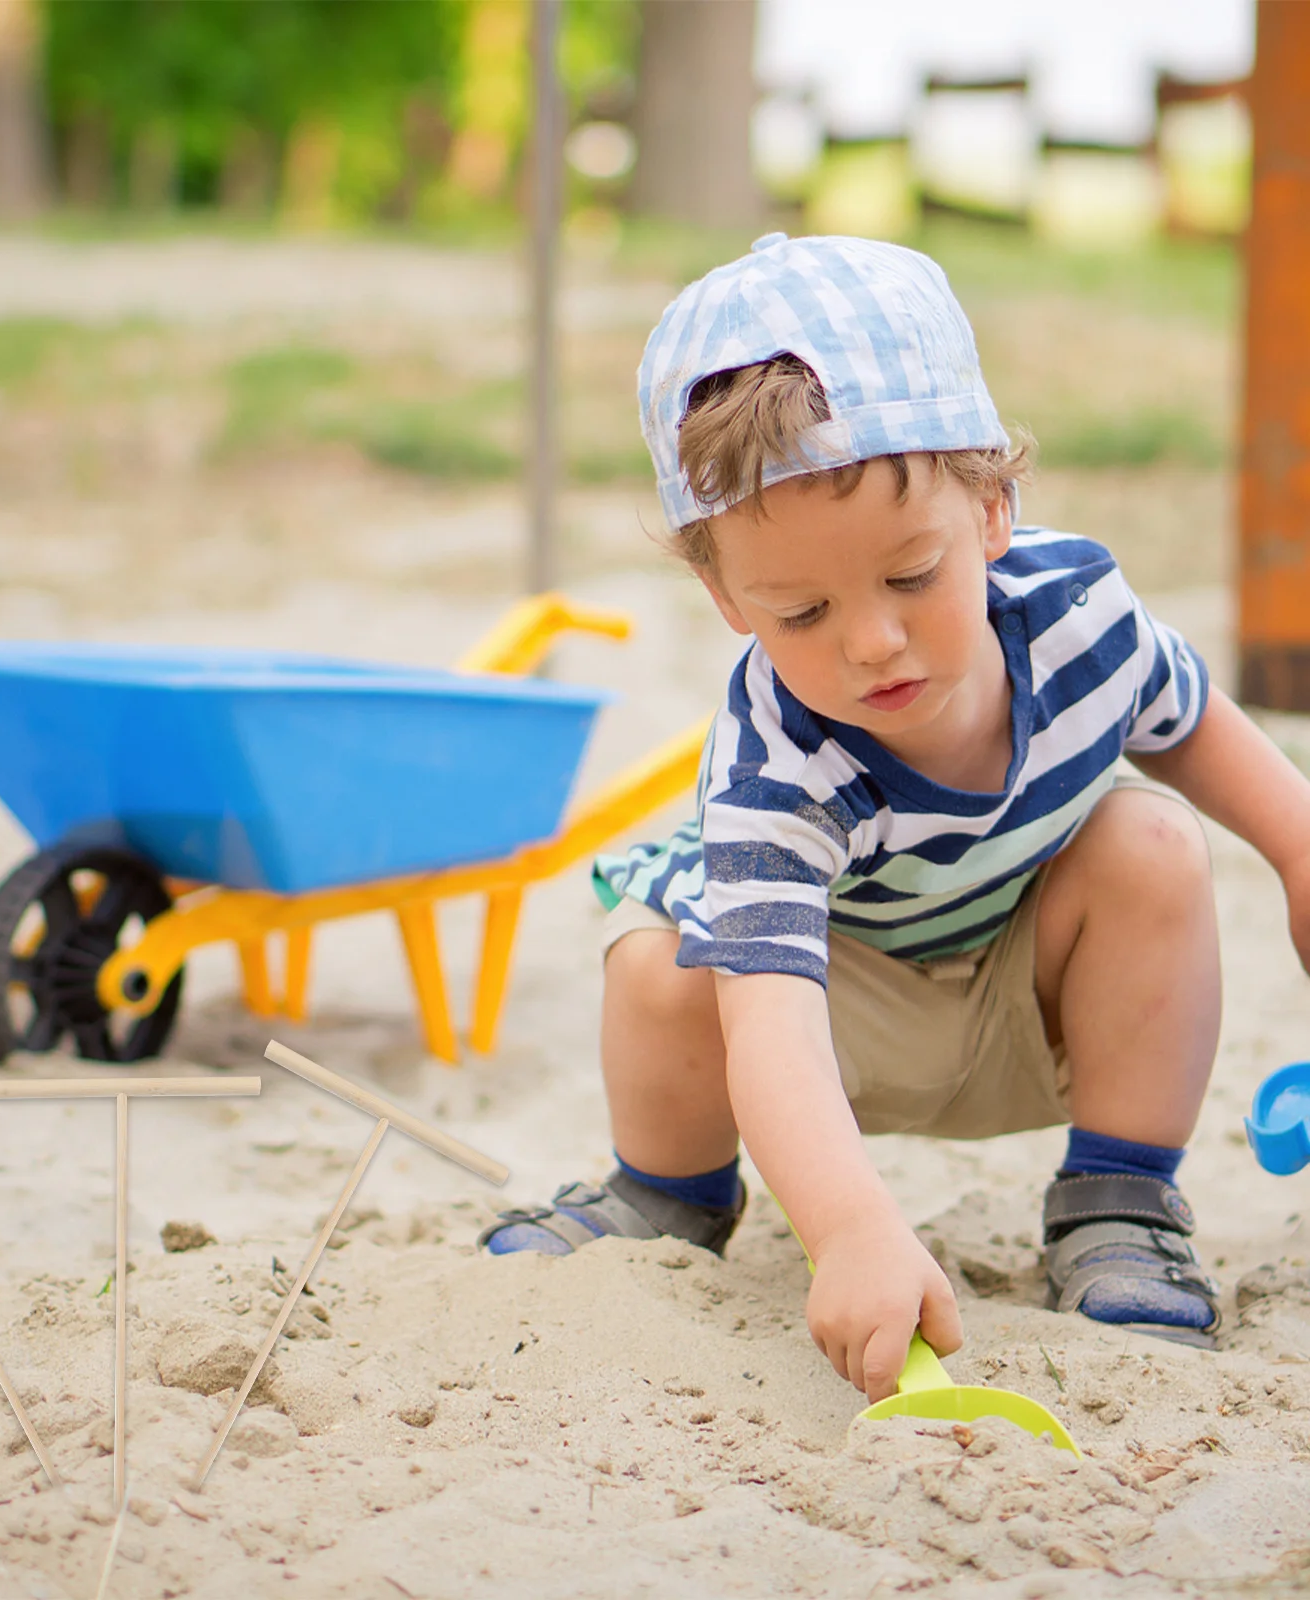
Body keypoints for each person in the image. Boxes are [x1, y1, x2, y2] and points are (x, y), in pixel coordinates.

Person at [479, 232, 1310, 1403]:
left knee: (1151, 843)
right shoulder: (780, 754)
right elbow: (765, 1019)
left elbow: (1189, 728)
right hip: (826, 1021)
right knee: (663, 960)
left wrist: (1296, 846)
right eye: (801, 608)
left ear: (991, 508)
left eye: (910, 575)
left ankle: (1118, 1198)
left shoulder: (1078, 618)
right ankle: (669, 1189)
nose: (870, 643)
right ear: (724, 596)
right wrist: (850, 1227)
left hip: (1036, 991)